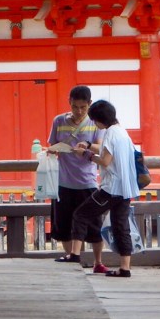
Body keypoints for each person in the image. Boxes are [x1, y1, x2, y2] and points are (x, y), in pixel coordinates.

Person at [69, 99, 139, 277]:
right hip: (125, 188)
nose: (95, 124)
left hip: (111, 188)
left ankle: (75, 255)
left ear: (100, 120)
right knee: (121, 226)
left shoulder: (109, 134)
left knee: (80, 214)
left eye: (94, 120)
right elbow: (111, 154)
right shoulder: (122, 132)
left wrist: (86, 154)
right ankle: (125, 268)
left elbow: (106, 161)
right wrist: (89, 144)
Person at [47, 85, 108, 273]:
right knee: (63, 224)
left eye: (83, 107)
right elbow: (51, 145)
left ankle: (98, 262)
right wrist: (55, 149)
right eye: (75, 107)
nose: (79, 111)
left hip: (87, 182)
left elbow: (102, 147)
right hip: (63, 181)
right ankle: (72, 260)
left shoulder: (95, 123)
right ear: (69, 103)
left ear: (89, 104)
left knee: (94, 226)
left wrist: (87, 147)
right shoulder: (58, 121)